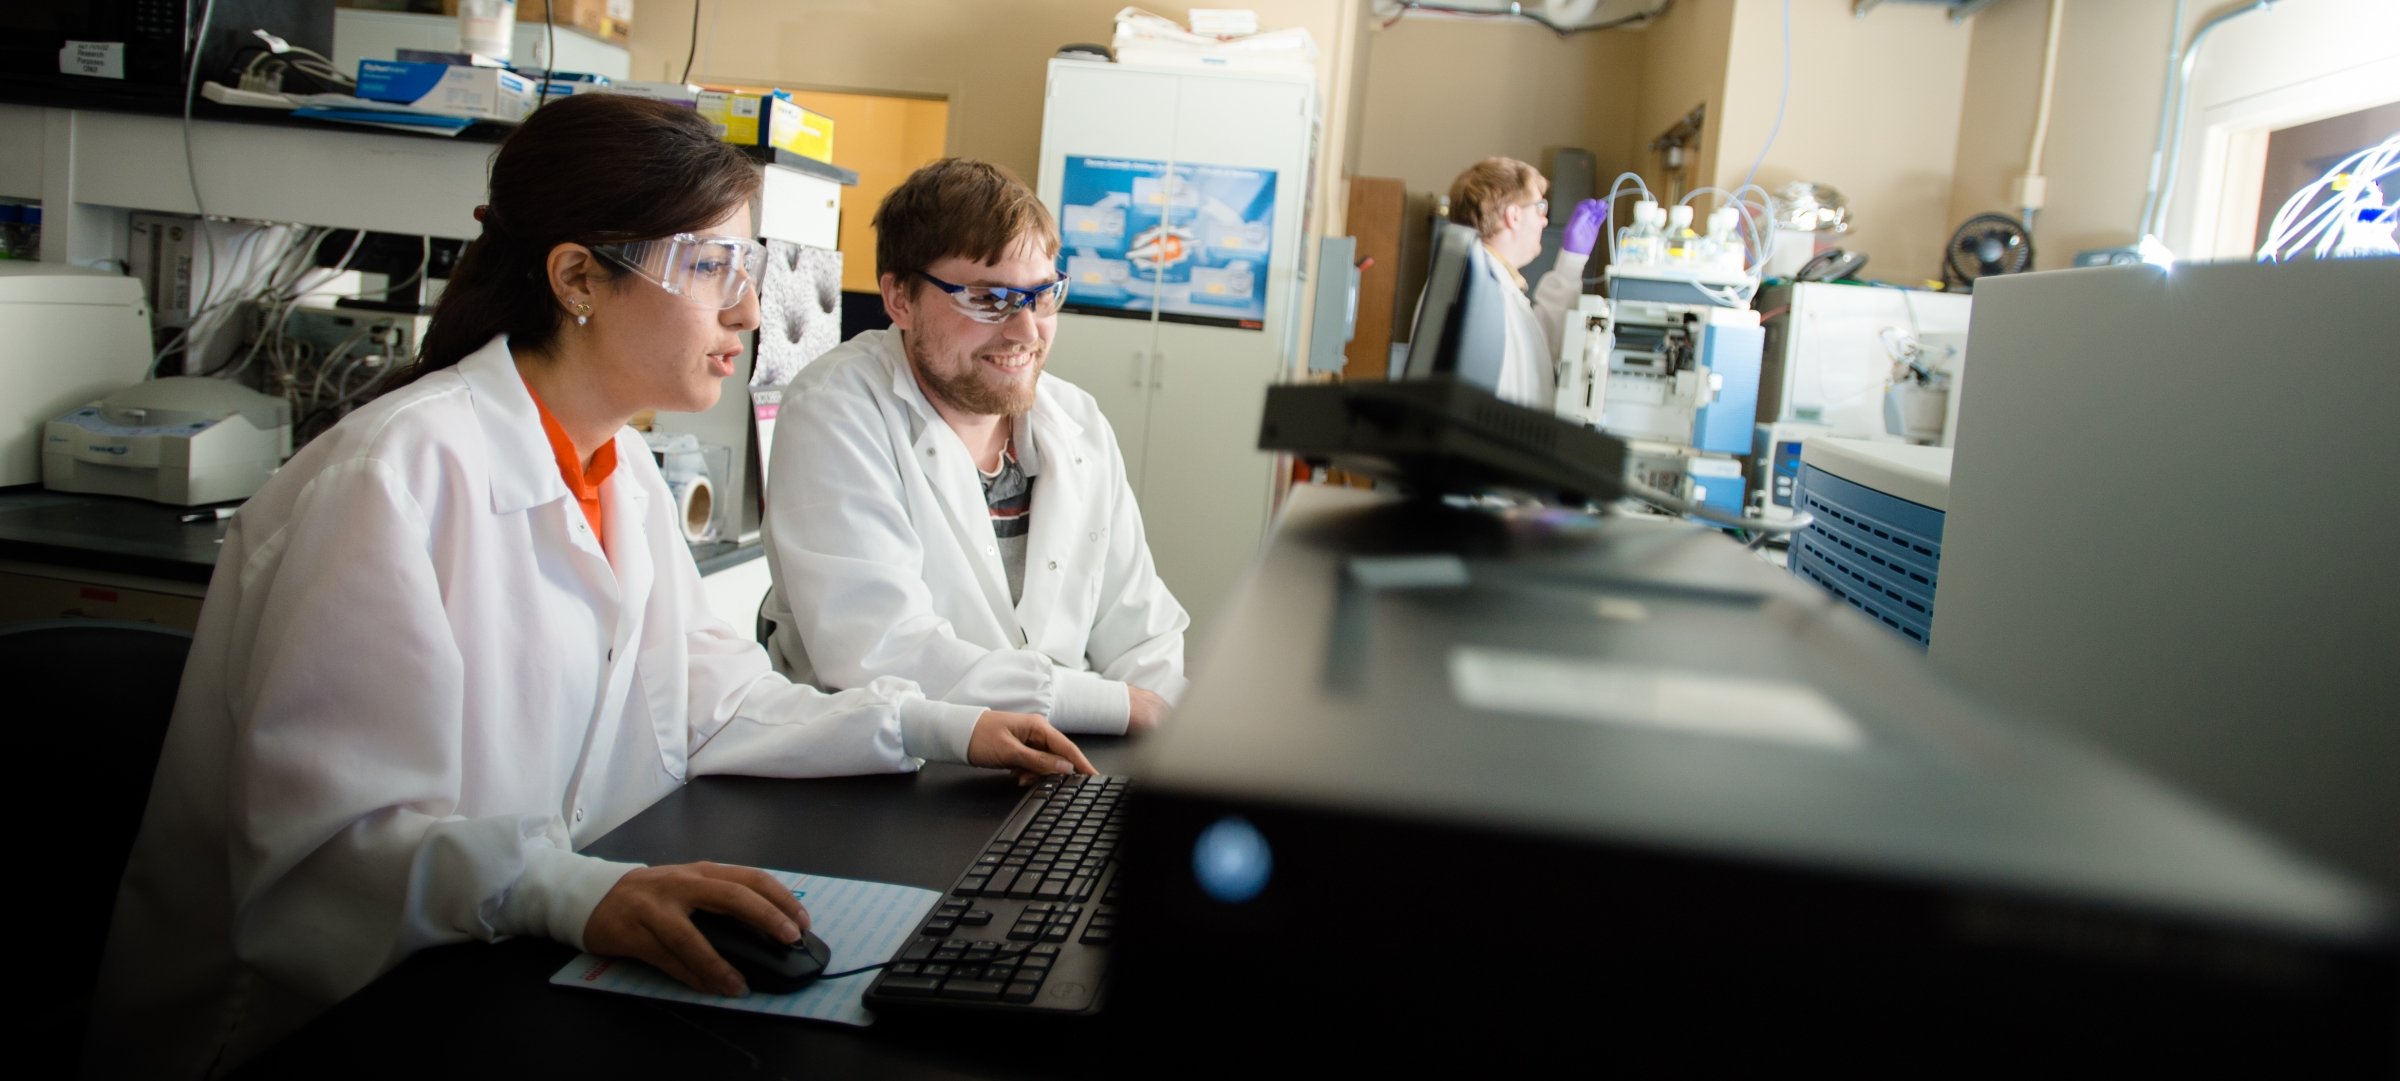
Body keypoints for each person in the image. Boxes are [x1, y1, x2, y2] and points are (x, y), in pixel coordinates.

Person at [83, 96, 1093, 1080]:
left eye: (748, 267)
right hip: (303, 1024)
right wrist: (571, 891)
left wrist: (942, 726)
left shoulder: (620, 476)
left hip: (492, 971)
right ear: (578, 277)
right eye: (711, 267)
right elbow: (327, 855)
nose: (746, 308)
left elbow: (715, 702)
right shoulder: (393, 479)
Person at [758, 159, 1188, 738]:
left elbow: (1142, 633)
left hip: (1062, 763)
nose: (1026, 332)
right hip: (894, 770)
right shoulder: (835, 409)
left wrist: (1156, 741)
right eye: (989, 299)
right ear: (899, 299)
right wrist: (1109, 706)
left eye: (1042, 296)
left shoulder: (1078, 422)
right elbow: (882, 652)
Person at [1443, 156, 1607, 409]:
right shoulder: (1476, 290)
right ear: (1514, 216)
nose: (1544, 220)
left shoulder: (1495, 282)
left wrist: (1572, 261)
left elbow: (1537, 344)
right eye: (1540, 207)